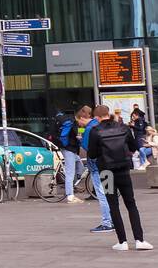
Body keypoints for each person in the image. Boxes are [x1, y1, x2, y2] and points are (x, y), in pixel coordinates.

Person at [87, 108, 151, 251]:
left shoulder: (95, 131)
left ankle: (122, 242)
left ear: (97, 117)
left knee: (113, 204)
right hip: (123, 170)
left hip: (106, 172)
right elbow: (134, 147)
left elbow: (91, 154)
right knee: (131, 204)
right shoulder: (123, 127)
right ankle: (139, 240)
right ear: (108, 114)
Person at [81, 106, 114, 234]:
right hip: (110, 163)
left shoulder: (91, 128)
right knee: (109, 192)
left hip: (97, 164)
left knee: (102, 194)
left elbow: (86, 146)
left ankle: (107, 222)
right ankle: (113, 220)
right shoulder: (112, 126)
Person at [59, 106, 90, 203]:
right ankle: (70, 196)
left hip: (73, 150)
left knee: (81, 169)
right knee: (70, 173)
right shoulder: (73, 123)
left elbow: (79, 134)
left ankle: (72, 187)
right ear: (81, 118)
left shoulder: (76, 123)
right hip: (68, 149)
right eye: (85, 119)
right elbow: (78, 136)